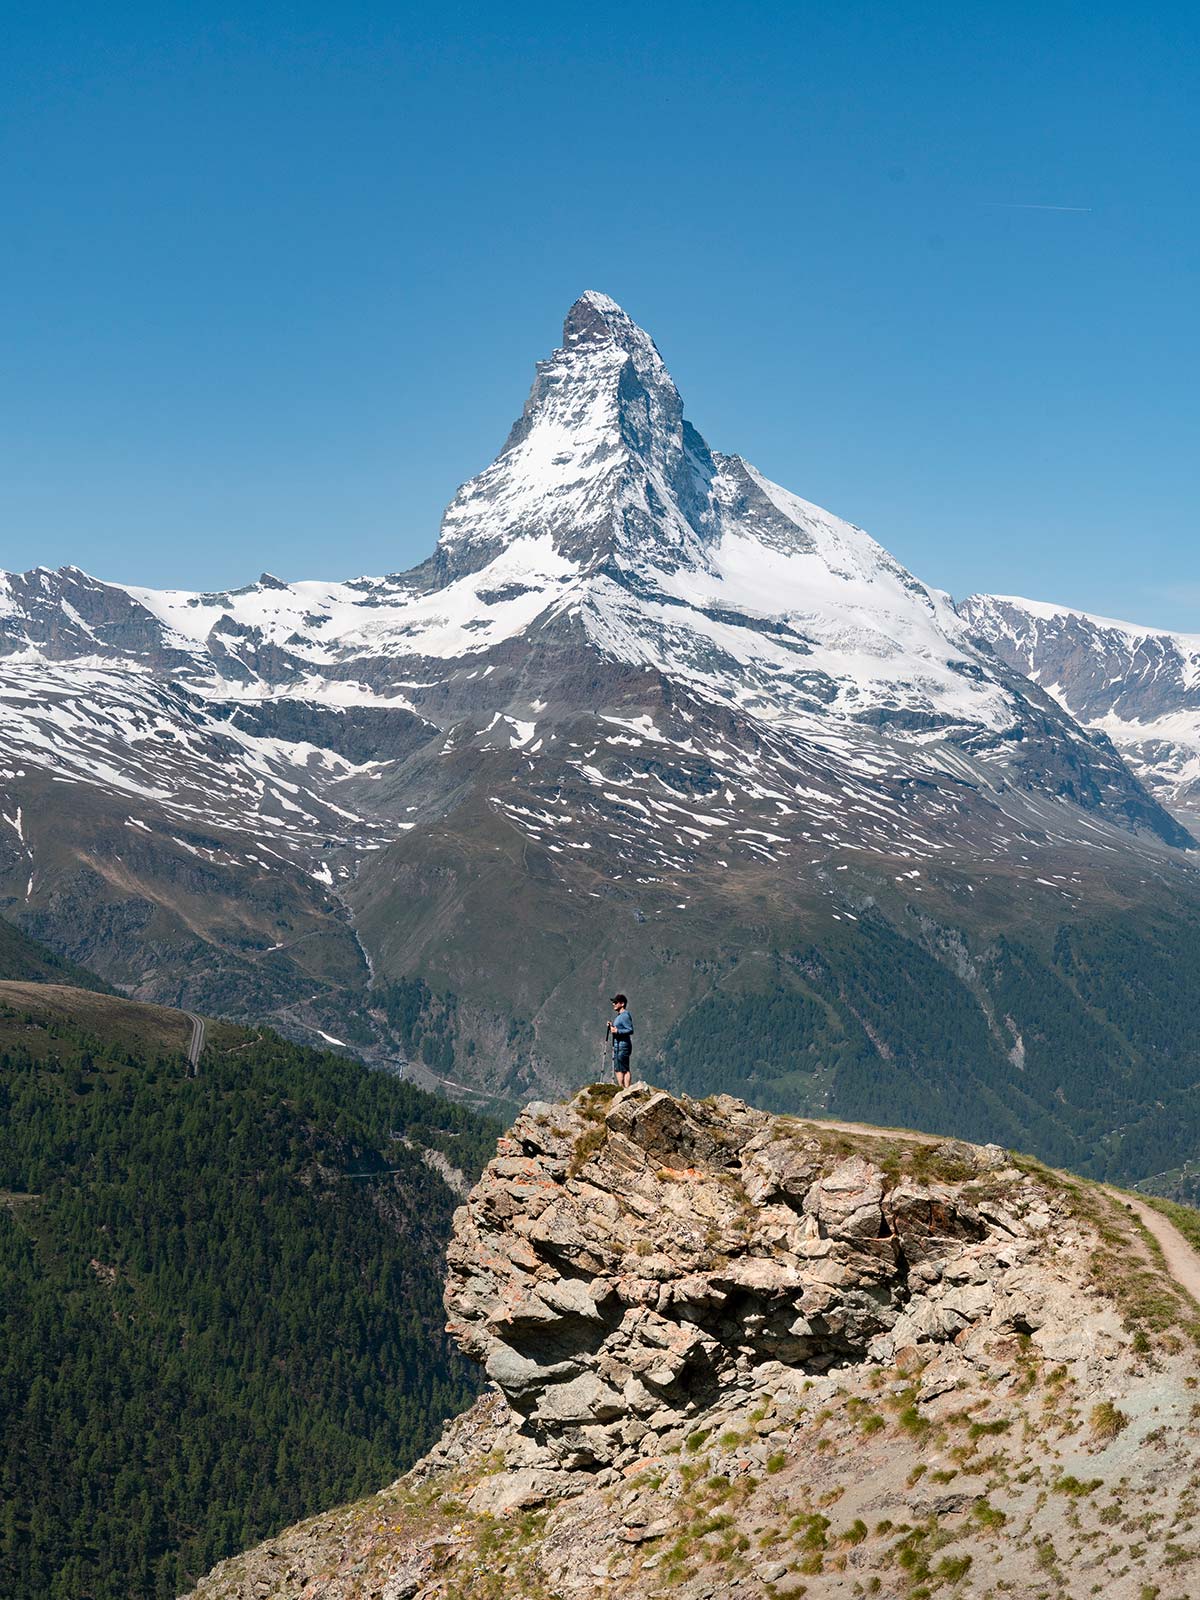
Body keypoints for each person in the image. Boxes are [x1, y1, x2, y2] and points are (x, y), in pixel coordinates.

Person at [607, 994, 634, 1088]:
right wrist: (611, 1026)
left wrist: (617, 1031)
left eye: (616, 1002)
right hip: (618, 1045)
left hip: (623, 1045)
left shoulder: (625, 1015)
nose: (613, 1004)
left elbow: (630, 1030)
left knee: (624, 1068)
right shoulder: (619, 1016)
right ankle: (621, 1088)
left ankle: (626, 1089)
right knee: (618, 1068)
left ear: (622, 1004)